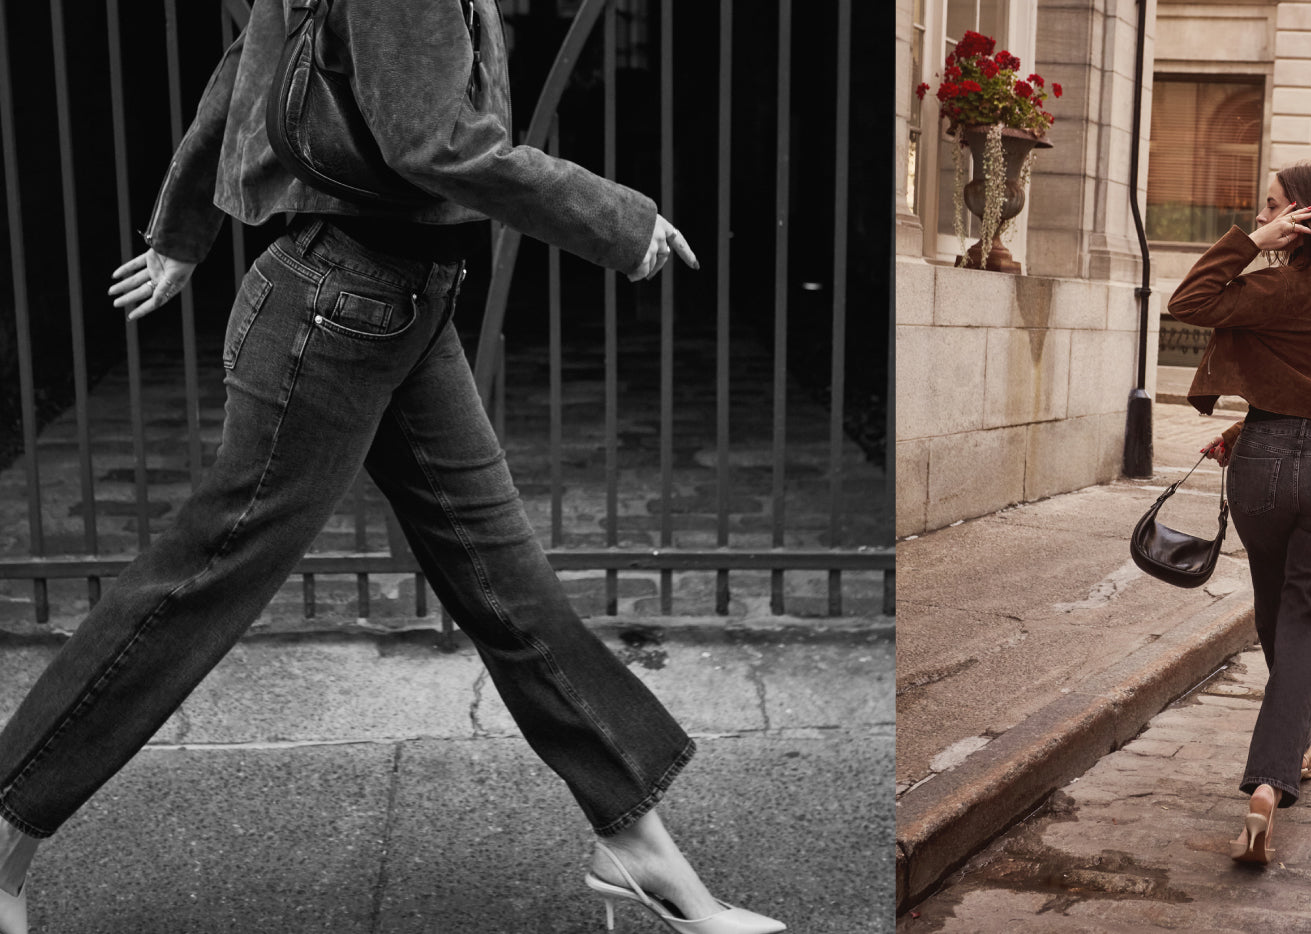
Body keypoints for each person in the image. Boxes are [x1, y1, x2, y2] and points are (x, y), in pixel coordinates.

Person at [0, 3, 782, 933]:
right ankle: (6, 821)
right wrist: (616, 220)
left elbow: (244, 67)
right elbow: (432, 142)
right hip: (338, 308)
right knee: (201, 580)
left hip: (395, 305)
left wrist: (181, 230)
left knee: (506, 583)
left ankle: (635, 845)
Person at [1165, 161, 1311, 865]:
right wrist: (1242, 429)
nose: (1262, 218)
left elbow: (1188, 299)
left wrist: (1251, 244)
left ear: (1305, 217)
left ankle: (1277, 767)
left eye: (1273, 207)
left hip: (1263, 463)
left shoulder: (1271, 287)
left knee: (1274, 610)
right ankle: (1276, 772)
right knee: (1305, 618)